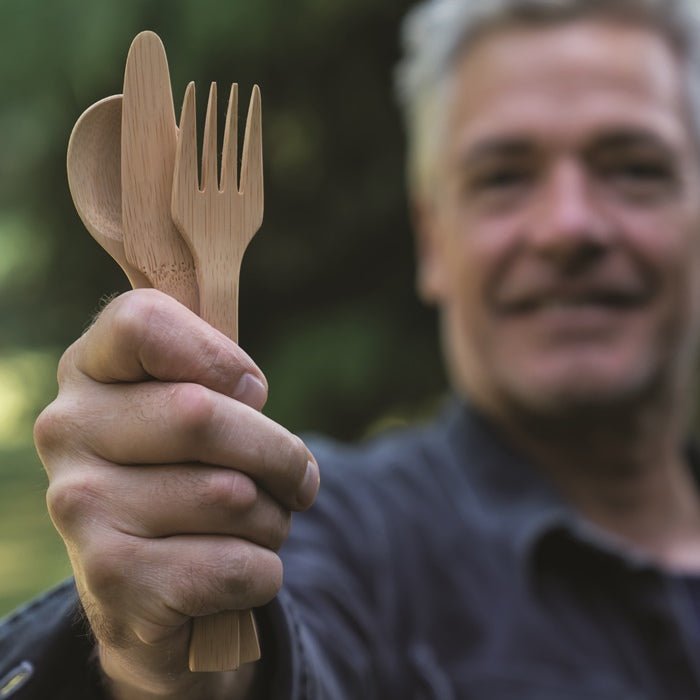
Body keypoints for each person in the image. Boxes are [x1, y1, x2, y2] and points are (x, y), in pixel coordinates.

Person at [4, 0, 700, 697]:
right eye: (503, 177)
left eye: (634, 167)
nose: (567, 227)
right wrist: (162, 661)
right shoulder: (342, 528)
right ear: (432, 241)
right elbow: (283, 649)